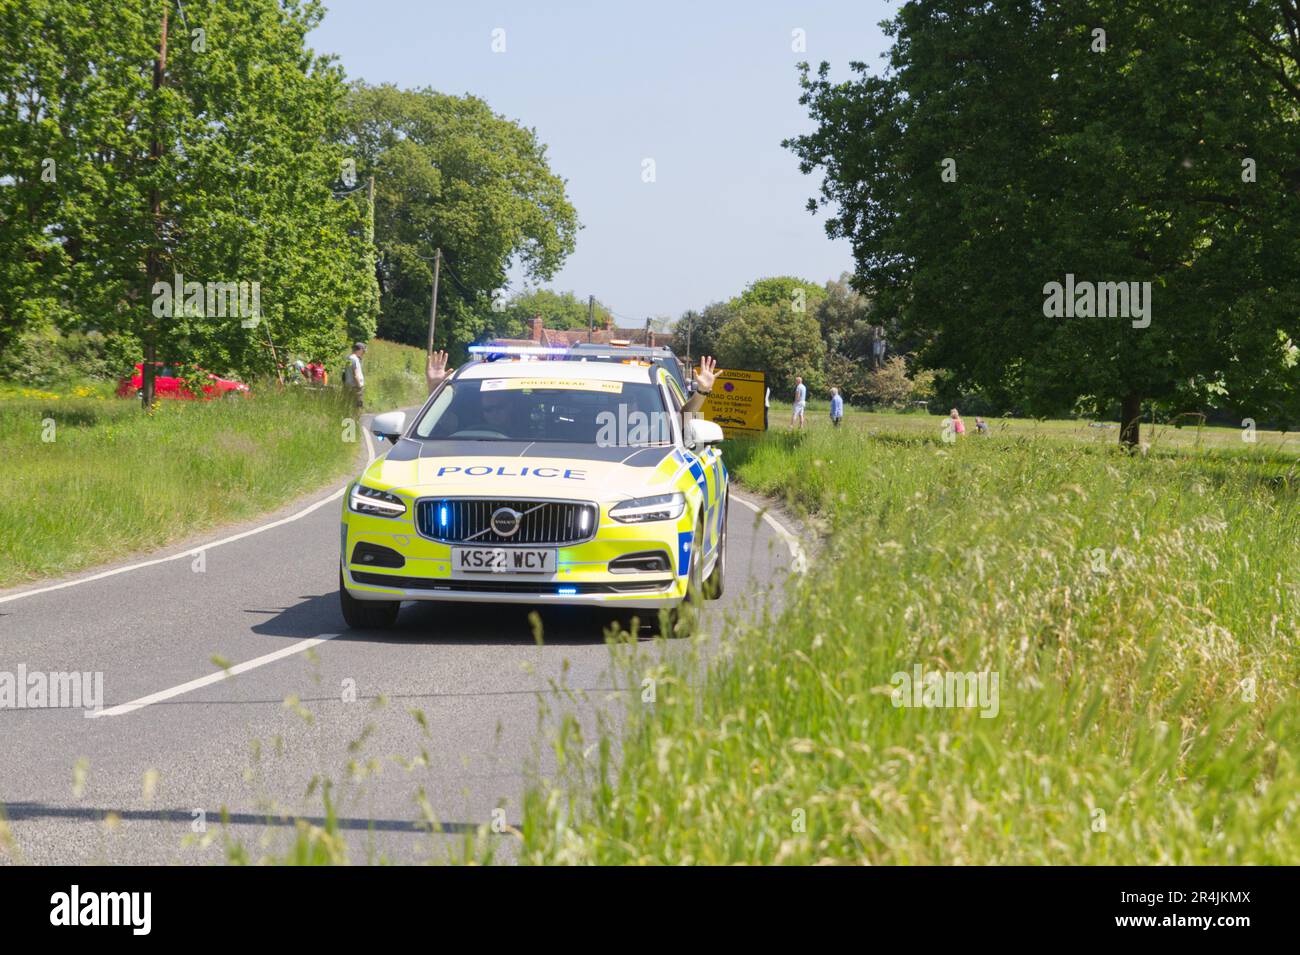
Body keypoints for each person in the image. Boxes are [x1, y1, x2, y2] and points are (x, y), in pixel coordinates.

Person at [343, 342, 366, 406]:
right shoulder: (355, 359)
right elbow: (355, 374)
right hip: (355, 386)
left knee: (350, 404)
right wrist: (359, 386)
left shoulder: (348, 358)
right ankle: (357, 416)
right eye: (363, 351)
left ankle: (351, 415)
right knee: (358, 405)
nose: (364, 353)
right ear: (360, 349)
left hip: (349, 385)